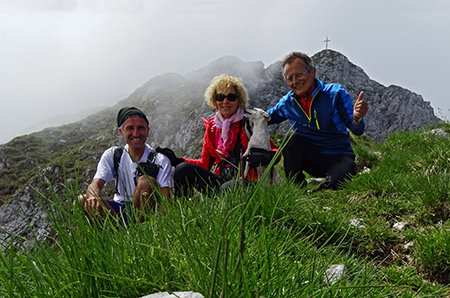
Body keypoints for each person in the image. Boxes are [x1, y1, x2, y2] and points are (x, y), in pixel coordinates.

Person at [157, 74, 279, 197]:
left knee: (227, 188)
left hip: (247, 182)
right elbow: (205, 164)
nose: (225, 101)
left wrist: (268, 156)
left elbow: (276, 151)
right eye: (220, 97)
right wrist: (178, 160)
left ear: (239, 100)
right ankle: (183, 212)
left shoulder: (249, 124)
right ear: (214, 101)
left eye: (231, 97)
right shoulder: (211, 129)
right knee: (182, 170)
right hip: (221, 179)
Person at [266, 52, 369, 190]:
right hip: (311, 159)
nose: (295, 82)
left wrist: (357, 118)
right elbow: (264, 118)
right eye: (289, 78)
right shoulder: (287, 102)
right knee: (291, 138)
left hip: (338, 156)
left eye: (299, 74)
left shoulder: (335, 94)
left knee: (337, 183)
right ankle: (296, 190)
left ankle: (319, 191)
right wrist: (233, 109)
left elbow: (356, 129)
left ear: (312, 72)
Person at [76, 107, 172, 223]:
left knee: (146, 182)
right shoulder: (113, 154)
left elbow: (166, 198)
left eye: (140, 128)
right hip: (117, 209)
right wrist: (93, 198)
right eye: (130, 128)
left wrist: (164, 228)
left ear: (147, 131)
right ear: (122, 132)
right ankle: (108, 237)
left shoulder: (160, 159)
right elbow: (96, 183)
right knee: (81, 200)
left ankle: (141, 232)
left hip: (144, 212)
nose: (136, 133)